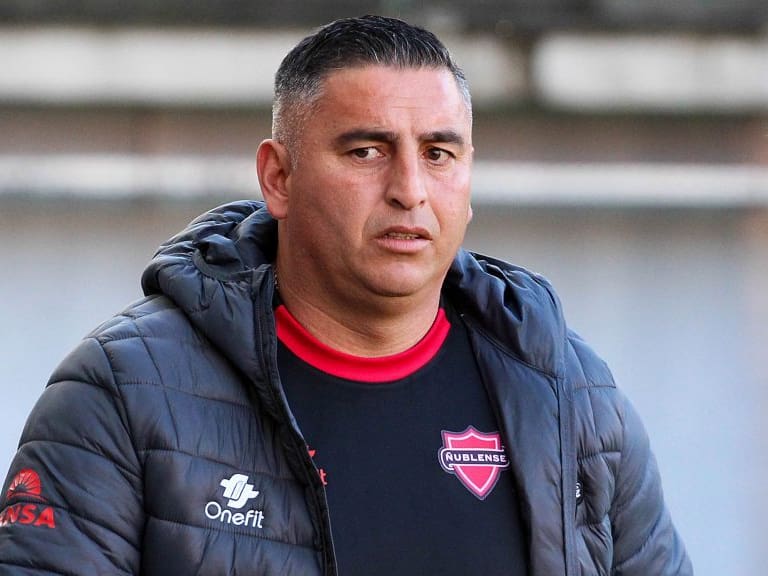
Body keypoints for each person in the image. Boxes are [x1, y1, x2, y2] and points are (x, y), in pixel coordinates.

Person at [0, 15, 692, 576]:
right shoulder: (122, 393)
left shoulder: (569, 394)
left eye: (439, 154)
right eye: (366, 151)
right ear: (278, 177)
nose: (409, 190)